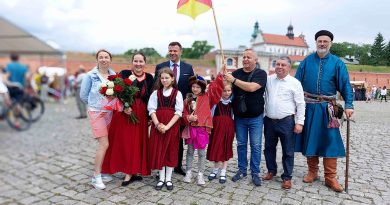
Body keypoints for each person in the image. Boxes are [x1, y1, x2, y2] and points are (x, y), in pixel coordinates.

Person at [295, 30, 354, 192]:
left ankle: (330, 177)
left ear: (330, 43)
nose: (322, 43)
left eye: (325, 41)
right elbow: (296, 85)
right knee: (310, 138)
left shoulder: (337, 63)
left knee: (330, 140)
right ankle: (312, 172)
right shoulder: (306, 62)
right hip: (309, 107)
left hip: (328, 108)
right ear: (316, 43)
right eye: (319, 41)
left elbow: (345, 85)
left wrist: (349, 105)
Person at [102, 53, 154, 186]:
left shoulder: (149, 78)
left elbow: (150, 98)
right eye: (135, 61)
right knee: (126, 142)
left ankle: (134, 171)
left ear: (144, 63)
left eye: (141, 61)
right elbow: (117, 93)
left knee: (138, 142)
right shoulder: (124, 74)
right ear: (132, 62)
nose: (138, 63)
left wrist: (149, 117)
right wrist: (124, 106)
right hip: (126, 112)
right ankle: (128, 172)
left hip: (141, 113)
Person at [223, 49, 267, 186]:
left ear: (256, 60)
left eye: (249, 57)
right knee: (241, 144)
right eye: (244, 57)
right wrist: (223, 76)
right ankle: (242, 170)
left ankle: (255, 172)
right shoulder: (236, 73)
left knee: (256, 145)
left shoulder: (261, 73)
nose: (245, 59)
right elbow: (226, 88)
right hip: (240, 117)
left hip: (256, 117)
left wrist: (234, 80)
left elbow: (252, 88)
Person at [262, 56, 305, 189]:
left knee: (288, 151)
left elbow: (300, 104)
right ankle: (271, 171)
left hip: (287, 121)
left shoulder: (295, 83)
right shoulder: (268, 80)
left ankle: (287, 177)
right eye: (277, 64)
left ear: (289, 67)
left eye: (283, 65)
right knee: (269, 148)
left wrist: (299, 122)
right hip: (269, 121)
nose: (279, 67)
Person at [154, 42, 194, 176]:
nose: (172, 53)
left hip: (180, 110)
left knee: (178, 139)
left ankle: (177, 165)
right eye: (170, 50)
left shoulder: (188, 68)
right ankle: (161, 165)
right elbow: (155, 88)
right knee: (162, 138)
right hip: (163, 109)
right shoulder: (160, 67)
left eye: (175, 51)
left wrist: (190, 103)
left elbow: (191, 88)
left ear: (180, 51)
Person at [80, 49, 116, 190]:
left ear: (110, 59)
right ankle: (96, 177)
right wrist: (96, 105)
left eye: (106, 57)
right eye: (101, 57)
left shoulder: (114, 75)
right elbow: (83, 95)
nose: (103, 59)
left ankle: (104, 170)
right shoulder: (90, 76)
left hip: (110, 113)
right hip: (96, 112)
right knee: (103, 143)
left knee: (108, 142)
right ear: (97, 60)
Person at [182, 72, 224, 185]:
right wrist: (188, 117)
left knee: (201, 153)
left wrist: (219, 76)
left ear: (202, 88)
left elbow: (216, 89)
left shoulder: (208, 98)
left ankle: (200, 174)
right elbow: (183, 114)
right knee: (190, 152)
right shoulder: (187, 100)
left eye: (198, 87)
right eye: (193, 87)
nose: (195, 89)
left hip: (202, 130)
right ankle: (189, 172)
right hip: (191, 129)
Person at [148, 68, 183, 191]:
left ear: (172, 79)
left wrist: (167, 127)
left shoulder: (177, 93)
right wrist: (158, 125)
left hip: (171, 126)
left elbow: (179, 112)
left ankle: (168, 178)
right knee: (160, 150)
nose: (164, 80)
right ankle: (161, 178)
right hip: (158, 125)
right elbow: (151, 109)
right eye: (162, 78)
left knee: (170, 150)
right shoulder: (155, 93)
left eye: (167, 78)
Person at [206, 81, 235, 184]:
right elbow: (211, 115)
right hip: (217, 128)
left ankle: (223, 171)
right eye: (224, 91)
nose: (227, 93)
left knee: (226, 147)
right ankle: (215, 169)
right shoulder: (216, 102)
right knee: (217, 147)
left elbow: (234, 116)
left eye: (229, 90)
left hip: (228, 128)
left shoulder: (232, 103)